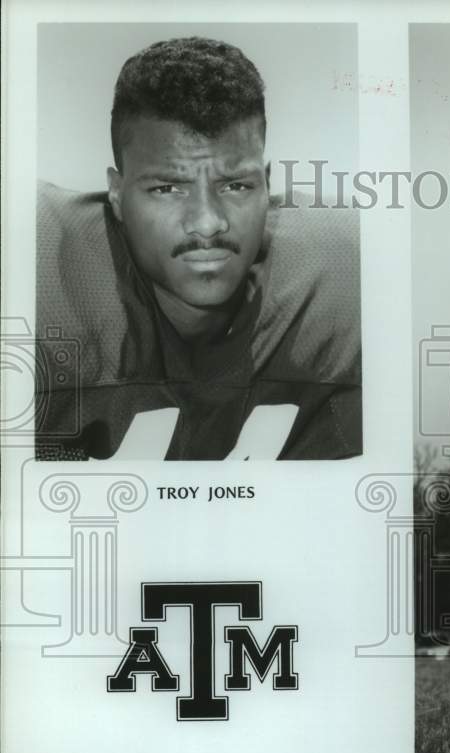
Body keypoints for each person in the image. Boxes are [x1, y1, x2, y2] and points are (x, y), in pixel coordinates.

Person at [35, 37, 361, 460]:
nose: (208, 222)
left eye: (236, 185)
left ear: (266, 184)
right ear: (117, 193)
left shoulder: (342, 274)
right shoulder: (39, 268)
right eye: (168, 188)